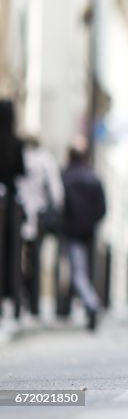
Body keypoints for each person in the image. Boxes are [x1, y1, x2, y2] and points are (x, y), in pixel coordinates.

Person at [17, 135, 65, 316]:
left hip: (17, 213)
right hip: (39, 215)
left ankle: (18, 297)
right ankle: (33, 303)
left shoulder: (18, 156)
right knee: (34, 258)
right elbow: (57, 193)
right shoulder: (46, 160)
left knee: (16, 258)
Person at [61, 143, 106, 331]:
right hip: (89, 231)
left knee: (77, 271)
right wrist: (91, 221)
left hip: (72, 231)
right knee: (84, 270)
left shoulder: (66, 177)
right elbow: (102, 209)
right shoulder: (93, 178)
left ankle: (91, 303)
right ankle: (69, 308)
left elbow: (58, 201)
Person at [0, 100, 25, 320]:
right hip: (10, 206)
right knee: (9, 252)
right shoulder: (16, 143)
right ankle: (9, 299)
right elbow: (21, 171)